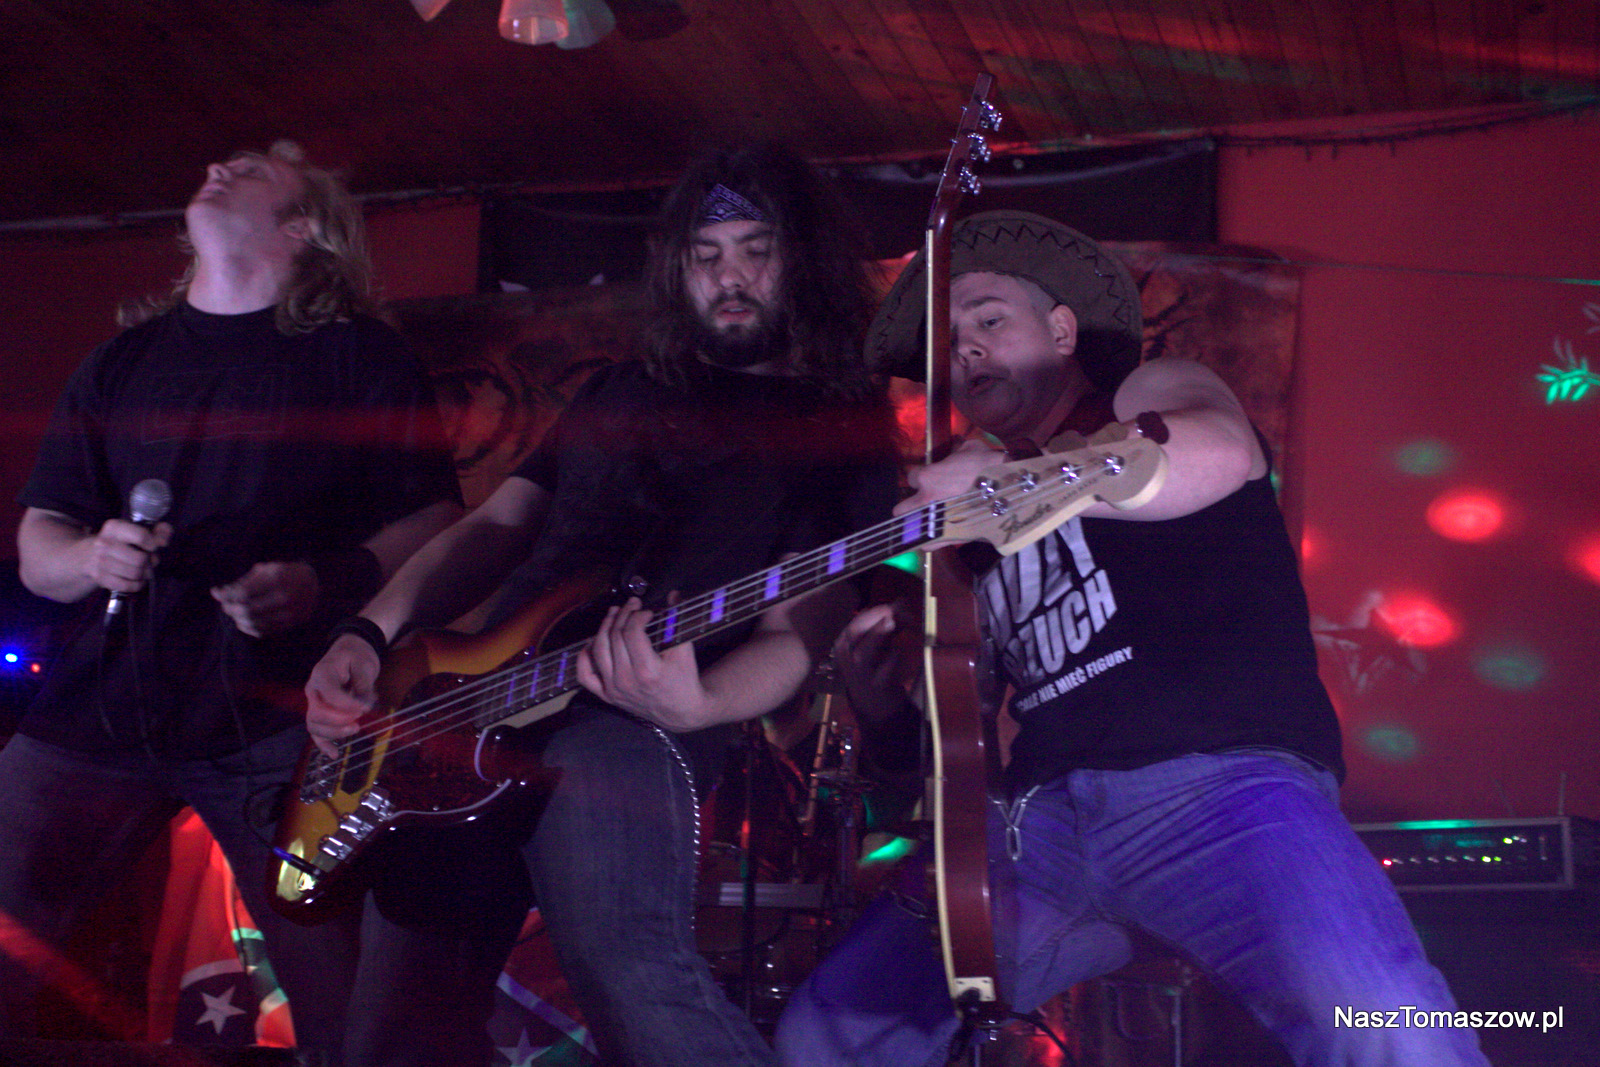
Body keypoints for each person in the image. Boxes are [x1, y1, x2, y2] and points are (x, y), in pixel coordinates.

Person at [774, 210, 1489, 1066]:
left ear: (1062, 330)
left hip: (1222, 794)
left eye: (990, 318)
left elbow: (1216, 454)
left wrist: (1010, 481)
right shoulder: (970, 526)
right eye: (949, 341)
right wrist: (885, 703)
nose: (965, 349)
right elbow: (958, 745)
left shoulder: (1146, 392)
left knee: (1385, 1024)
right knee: (827, 1034)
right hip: (1038, 831)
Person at [303, 141, 901, 1067]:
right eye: (706, 255)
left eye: (757, 251)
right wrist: (367, 631)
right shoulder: (617, 389)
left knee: (631, 971)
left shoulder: (842, 424)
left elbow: (801, 623)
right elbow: (495, 527)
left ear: (804, 262)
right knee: (393, 1030)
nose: (730, 276)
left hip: (632, 723)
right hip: (464, 711)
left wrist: (700, 702)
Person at [0, 141, 465, 1063]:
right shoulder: (123, 361)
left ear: (305, 226)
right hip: (97, 709)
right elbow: (39, 547)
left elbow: (440, 522)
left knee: (346, 1006)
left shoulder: (359, 358)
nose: (216, 168)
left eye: (249, 170)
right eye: (216, 164)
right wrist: (91, 554)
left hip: (276, 723)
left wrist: (325, 579)